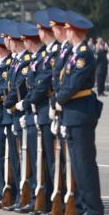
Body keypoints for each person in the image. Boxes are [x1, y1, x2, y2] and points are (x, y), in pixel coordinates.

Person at [56, 11, 104, 215]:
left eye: (67, 29)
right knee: (76, 164)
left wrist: (56, 100)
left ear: (73, 31)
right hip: (71, 113)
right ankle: (84, 206)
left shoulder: (83, 53)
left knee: (84, 164)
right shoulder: (73, 53)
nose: (64, 33)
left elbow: (74, 84)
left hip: (80, 113)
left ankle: (93, 208)